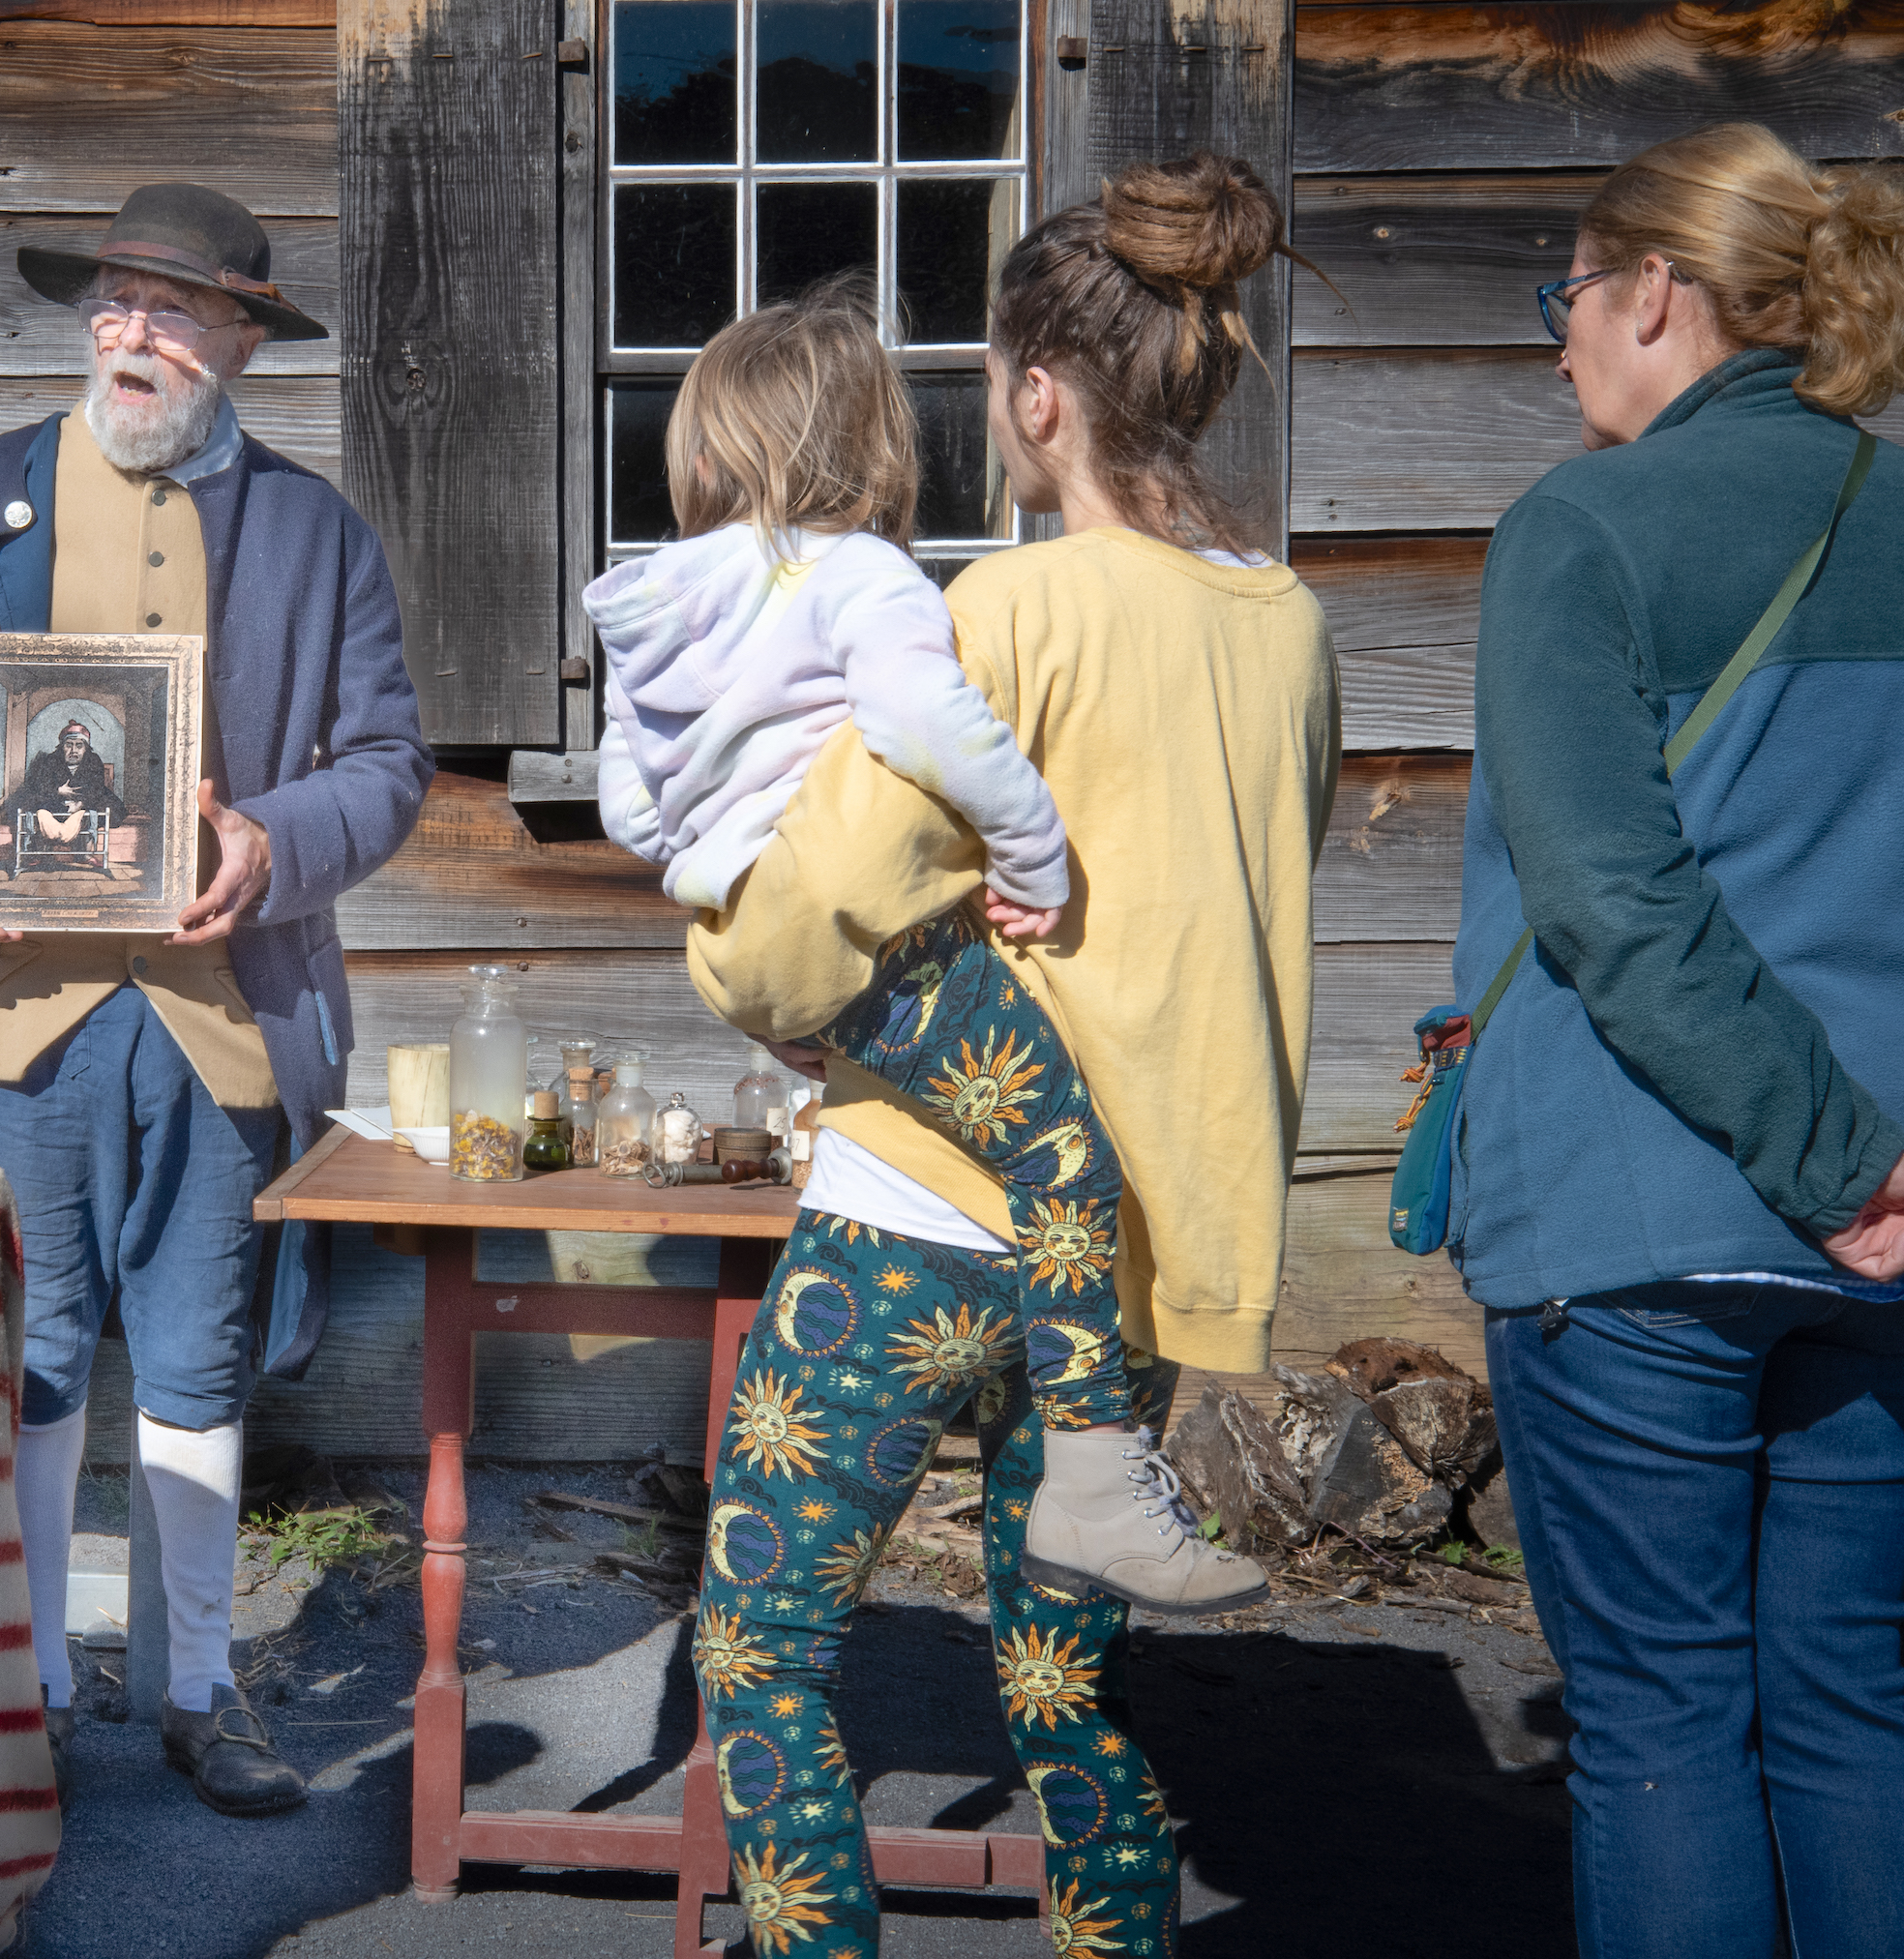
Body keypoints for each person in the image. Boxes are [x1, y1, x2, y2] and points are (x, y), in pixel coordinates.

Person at [682, 154, 1340, 1958]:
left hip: (917, 1211)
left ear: (1039, 394)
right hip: (1114, 1268)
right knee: (1063, 1682)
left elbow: (818, 903)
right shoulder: (1289, 631)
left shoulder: (1003, 617)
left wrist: (726, 955)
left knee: (764, 1649)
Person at [0, 182, 430, 1815]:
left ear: (244, 335)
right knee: (26, 1358)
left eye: (174, 309)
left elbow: (388, 769)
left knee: (198, 1355)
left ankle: (196, 1684)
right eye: (114, 298)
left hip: (219, 1014)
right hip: (13, 1009)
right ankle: (29, 1687)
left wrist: (271, 841)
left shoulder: (318, 533)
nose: (133, 334)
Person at [587, 278, 1264, 1618]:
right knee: (1063, 1145)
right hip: (878, 949)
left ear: (712, 451)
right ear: (864, 446)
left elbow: (623, 790)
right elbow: (927, 725)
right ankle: (1096, 1473)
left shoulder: (652, 603)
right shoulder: (864, 576)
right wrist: (1030, 852)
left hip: (750, 936)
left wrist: (708, 870)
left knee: (772, 1624)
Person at [1451, 123, 1904, 1959]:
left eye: (1565, 295)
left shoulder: (1583, 527)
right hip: (1886, 1231)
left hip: (1648, 1213)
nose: (1557, 341)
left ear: (1656, 291)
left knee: (1657, 1728)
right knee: (1855, 1713)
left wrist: (1830, 1158)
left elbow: (1617, 906)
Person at [0, 717, 124, 866]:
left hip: (83, 803)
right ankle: (37, 852)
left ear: (86, 748)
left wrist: (80, 804)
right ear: (62, 746)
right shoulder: (51, 760)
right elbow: (41, 786)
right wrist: (58, 791)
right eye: (69, 745)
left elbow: (96, 788)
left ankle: (85, 854)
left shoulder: (93, 760)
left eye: (79, 746)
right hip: (53, 802)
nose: (73, 750)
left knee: (96, 811)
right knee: (34, 808)